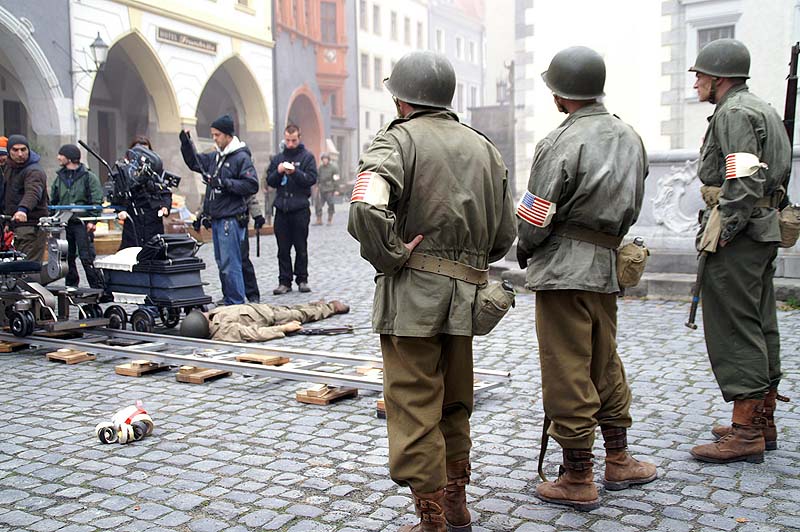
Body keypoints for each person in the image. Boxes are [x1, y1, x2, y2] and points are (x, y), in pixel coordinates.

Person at [348, 51, 516, 532]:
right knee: (455, 399)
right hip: (466, 300)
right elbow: (504, 234)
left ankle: (434, 518)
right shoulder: (485, 148)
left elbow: (365, 210)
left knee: (414, 403)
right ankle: (457, 501)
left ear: (402, 98)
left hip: (412, 302)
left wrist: (393, 252)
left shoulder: (395, 142)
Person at [516, 46, 656, 511]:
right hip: (607, 267)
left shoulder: (560, 141)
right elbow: (633, 205)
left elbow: (536, 215)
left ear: (560, 93)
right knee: (604, 360)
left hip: (563, 271)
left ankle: (578, 476)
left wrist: (525, 245)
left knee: (567, 367)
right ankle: (618, 457)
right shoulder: (631, 137)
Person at [687, 39, 791, 464]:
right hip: (762, 230)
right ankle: (762, 420)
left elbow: (743, 180)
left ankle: (745, 431)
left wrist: (726, 229)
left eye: (699, 75)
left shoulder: (734, 113)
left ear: (718, 77)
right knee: (760, 320)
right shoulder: (761, 107)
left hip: (741, 234)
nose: (695, 82)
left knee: (734, 326)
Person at [180, 114, 259, 305]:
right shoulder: (216, 157)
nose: (214, 138)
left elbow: (251, 185)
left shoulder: (240, 157)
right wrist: (186, 144)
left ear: (227, 135)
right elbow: (195, 163)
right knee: (222, 262)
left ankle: (236, 301)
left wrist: (224, 183)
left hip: (230, 218)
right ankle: (229, 297)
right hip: (217, 217)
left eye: (217, 135)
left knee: (231, 263)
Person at [266, 125, 317, 295]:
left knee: (301, 247)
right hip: (282, 209)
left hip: (300, 208)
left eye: (293, 140)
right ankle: (284, 281)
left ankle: (302, 279)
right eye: (287, 140)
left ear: (299, 138)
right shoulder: (278, 158)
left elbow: (310, 179)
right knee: (283, 249)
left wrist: (295, 172)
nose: (290, 143)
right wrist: (279, 172)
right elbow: (270, 181)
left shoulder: (307, 157)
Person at [51, 144, 104, 288]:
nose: (58, 158)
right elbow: (54, 200)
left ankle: (97, 286)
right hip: (65, 223)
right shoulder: (59, 177)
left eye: (61, 155)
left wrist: (93, 219)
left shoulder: (88, 177)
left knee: (87, 257)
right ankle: (71, 285)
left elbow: (96, 199)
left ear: (68, 157)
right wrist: (52, 220)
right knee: (67, 256)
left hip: (82, 223)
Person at [179, 299, 349, 342]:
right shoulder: (224, 331)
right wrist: (283, 329)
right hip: (270, 318)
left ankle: (316, 305)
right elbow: (254, 333)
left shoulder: (213, 316)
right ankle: (331, 308)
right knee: (300, 314)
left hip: (262, 309)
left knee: (293, 308)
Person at [117, 136, 172, 249]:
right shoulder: (125, 172)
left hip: (153, 220)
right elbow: (119, 194)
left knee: (154, 253)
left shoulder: (156, 172)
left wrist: (165, 207)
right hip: (133, 219)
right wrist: (120, 210)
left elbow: (166, 192)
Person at [3, 135, 48, 262]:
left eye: (23, 149)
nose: (20, 154)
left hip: (31, 225)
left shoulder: (34, 171)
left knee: (26, 267)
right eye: (15, 150)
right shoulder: (10, 167)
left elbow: (33, 192)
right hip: (15, 225)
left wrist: (23, 209)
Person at [242, 193, 266, 303]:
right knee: (224, 264)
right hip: (220, 218)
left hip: (238, 221)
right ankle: (229, 293)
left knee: (243, 260)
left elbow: (249, 195)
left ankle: (252, 294)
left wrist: (257, 215)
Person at [314, 152, 340, 226]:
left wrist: (336, 190)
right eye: (323, 159)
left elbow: (336, 179)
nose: (325, 160)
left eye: (326, 159)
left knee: (330, 204)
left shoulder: (333, 168)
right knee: (318, 204)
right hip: (321, 188)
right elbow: (317, 177)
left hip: (330, 189)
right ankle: (319, 219)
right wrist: (316, 186)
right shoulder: (320, 168)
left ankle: (329, 219)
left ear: (328, 159)